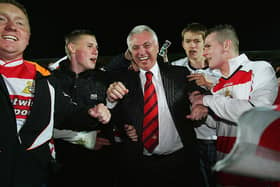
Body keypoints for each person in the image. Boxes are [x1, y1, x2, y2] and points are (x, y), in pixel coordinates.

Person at [0, 1, 111, 187]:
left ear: (28, 37)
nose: (12, 27)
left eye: (20, 23)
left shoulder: (44, 78)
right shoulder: (55, 75)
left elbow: (66, 114)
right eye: (2, 19)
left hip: (36, 177)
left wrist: (93, 113)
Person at [106, 25, 207, 187]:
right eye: (135, 47)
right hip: (140, 166)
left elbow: (195, 92)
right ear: (130, 52)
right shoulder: (123, 80)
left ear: (157, 47)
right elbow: (115, 115)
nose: (141, 52)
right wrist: (113, 105)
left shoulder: (178, 73)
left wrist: (199, 103)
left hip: (181, 162)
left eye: (147, 45)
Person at [187, 24, 278, 187]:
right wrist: (204, 112)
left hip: (256, 173)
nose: (204, 52)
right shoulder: (218, 83)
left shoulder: (259, 68)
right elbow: (219, 125)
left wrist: (206, 100)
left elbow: (256, 113)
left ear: (226, 45)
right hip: (225, 168)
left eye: (208, 46)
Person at [50, 29, 115, 187]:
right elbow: (45, 124)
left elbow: (114, 118)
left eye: (97, 47)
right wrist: (82, 139)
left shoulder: (105, 79)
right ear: (72, 48)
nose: (96, 51)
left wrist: (112, 104)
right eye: (90, 46)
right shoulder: (51, 80)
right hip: (61, 169)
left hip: (101, 168)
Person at [170, 22, 220, 187]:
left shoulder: (220, 68)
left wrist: (209, 85)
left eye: (197, 41)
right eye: (188, 41)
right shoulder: (175, 68)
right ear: (183, 44)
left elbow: (234, 97)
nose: (192, 45)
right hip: (185, 139)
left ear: (205, 43)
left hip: (214, 138)